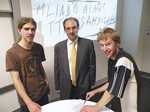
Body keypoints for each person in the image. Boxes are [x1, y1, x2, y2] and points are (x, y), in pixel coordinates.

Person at [80, 27, 141, 112]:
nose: (104, 49)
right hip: (117, 103)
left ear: (117, 43)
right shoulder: (112, 59)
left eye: (108, 44)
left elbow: (113, 90)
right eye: (102, 45)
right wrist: (95, 91)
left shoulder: (123, 61)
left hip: (128, 107)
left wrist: (95, 108)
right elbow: (112, 83)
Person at [6, 17, 50, 112]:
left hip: (43, 93)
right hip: (27, 99)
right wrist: (29, 102)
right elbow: (16, 80)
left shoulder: (39, 47)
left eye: (33, 29)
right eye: (26, 29)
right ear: (19, 30)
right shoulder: (12, 53)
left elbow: (40, 66)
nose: (30, 32)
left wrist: (46, 81)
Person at [54, 17, 96, 100]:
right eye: (68, 28)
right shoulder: (58, 47)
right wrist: (58, 86)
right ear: (64, 30)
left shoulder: (88, 44)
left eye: (74, 27)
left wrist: (91, 83)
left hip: (83, 85)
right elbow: (57, 68)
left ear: (78, 28)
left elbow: (92, 65)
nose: (71, 31)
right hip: (65, 86)